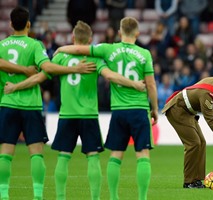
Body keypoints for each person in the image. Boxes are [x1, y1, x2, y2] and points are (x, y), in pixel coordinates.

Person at [4, 20, 146, 199]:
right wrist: (134, 84)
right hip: (89, 115)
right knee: (93, 157)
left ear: (72, 37)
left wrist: (15, 87)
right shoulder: (95, 59)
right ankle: (95, 198)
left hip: (67, 114)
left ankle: (61, 197)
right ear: (90, 39)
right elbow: (110, 76)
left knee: (64, 157)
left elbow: (39, 78)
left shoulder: (60, 58)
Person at [55, 16, 158, 200]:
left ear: (119, 32)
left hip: (117, 110)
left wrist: (60, 48)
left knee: (115, 155)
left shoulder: (107, 49)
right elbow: (150, 85)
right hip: (139, 109)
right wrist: (155, 108)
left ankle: (112, 197)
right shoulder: (145, 54)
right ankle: (142, 198)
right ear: (137, 33)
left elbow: (78, 49)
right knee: (142, 155)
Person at [0, 7, 95, 200]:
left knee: (5, 154)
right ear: (28, 24)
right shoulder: (35, 45)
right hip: (31, 105)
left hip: (8, 103)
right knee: (36, 154)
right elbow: (47, 68)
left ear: (10, 24)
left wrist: (18, 71)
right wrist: (74, 68)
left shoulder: (2, 45)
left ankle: (3, 195)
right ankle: (37, 196)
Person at [162, 70, 213, 188]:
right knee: (193, 144)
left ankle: (197, 180)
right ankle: (188, 182)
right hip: (177, 110)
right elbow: (211, 120)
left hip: (187, 111)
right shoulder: (208, 94)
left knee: (201, 142)